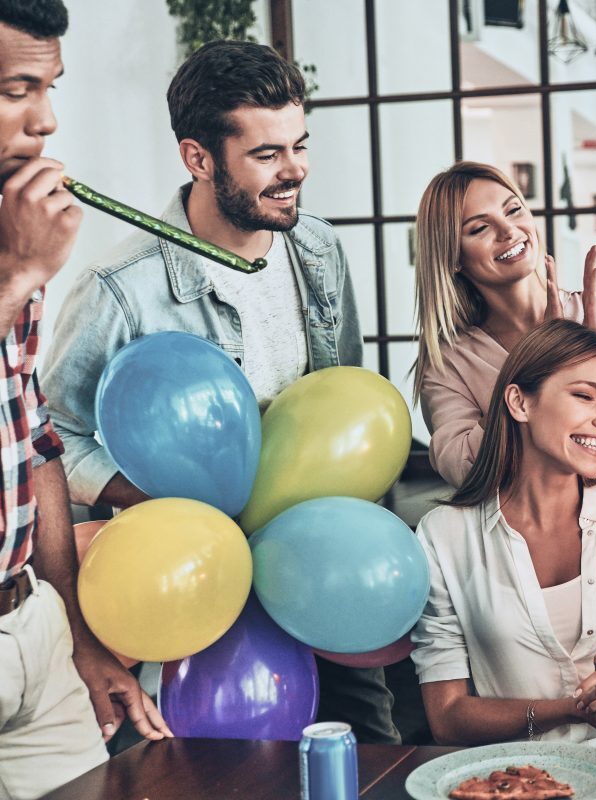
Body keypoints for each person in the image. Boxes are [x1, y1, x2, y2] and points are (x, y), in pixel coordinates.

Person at [39, 41, 397, 745]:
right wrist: (162, 502)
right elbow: (52, 434)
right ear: (198, 158)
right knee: (213, 775)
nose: (294, 170)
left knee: (373, 757)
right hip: (187, 578)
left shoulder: (319, 250)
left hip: (317, 572)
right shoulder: (121, 287)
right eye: (266, 155)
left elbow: (342, 403)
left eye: (299, 144)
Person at [0, 2, 171, 797]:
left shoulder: (13, 237)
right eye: (16, 90)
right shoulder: (21, 262)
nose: (45, 122)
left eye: (50, 87)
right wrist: (21, 277)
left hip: (28, 619)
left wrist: (72, 628)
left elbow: (37, 446)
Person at [411, 319, 596, 747]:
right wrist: (572, 709)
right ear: (520, 403)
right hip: (508, 777)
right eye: (584, 396)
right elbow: (447, 717)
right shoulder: (444, 537)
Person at [413, 161, 596, 491]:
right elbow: (465, 472)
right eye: (480, 228)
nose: (508, 231)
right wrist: (540, 364)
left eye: (513, 210)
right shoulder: (448, 362)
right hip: (527, 543)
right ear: (452, 256)